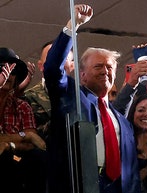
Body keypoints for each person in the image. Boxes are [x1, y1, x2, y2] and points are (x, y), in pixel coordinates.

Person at [43, 4, 140, 193]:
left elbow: (132, 172)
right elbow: (53, 69)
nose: (105, 71)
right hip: (79, 185)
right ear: (82, 75)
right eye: (98, 67)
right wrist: (73, 25)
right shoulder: (71, 95)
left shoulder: (123, 123)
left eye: (109, 67)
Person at [0, 48, 47, 193]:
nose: (8, 75)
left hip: (13, 163)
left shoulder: (22, 106)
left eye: (13, 71)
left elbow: (32, 144)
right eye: (2, 69)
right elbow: (28, 136)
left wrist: (10, 144)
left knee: (35, 158)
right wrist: (24, 135)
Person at [23, 41, 74, 141]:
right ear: (41, 65)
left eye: (63, 58)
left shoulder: (81, 97)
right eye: (51, 58)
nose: (56, 63)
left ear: (72, 66)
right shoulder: (26, 98)